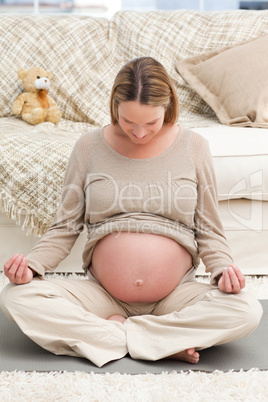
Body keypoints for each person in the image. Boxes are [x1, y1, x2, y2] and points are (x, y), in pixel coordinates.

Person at [0, 57, 263, 367]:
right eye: (128, 122)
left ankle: (118, 335)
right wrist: (31, 266)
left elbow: (208, 229)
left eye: (150, 123)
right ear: (115, 105)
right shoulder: (89, 147)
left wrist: (223, 272)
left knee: (246, 310)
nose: (139, 133)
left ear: (168, 106)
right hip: (103, 295)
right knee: (16, 297)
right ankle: (160, 341)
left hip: (174, 296)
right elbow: (64, 228)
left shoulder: (194, 146)